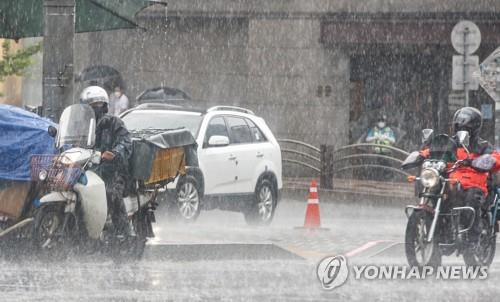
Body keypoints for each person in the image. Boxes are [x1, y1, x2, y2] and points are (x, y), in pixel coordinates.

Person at [420, 107, 495, 246]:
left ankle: (473, 238)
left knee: (471, 199)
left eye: (465, 127)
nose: (461, 129)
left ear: (474, 128)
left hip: (474, 184)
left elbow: (494, 158)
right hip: (451, 182)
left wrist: (477, 161)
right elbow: (432, 151)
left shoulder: (483, 145)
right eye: (459, 126)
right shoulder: (450, 142)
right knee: (435, 192)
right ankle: (439, 232)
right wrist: (420, 155)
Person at [79, 86, 133, 236]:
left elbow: (126, 143)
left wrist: (115, 153)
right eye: (90, 106)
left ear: (104, 106)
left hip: (112, 171)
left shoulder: (114, 123)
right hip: (86, 170)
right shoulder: (81, 126)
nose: (94, 109)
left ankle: (124, 234)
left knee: (110, 193)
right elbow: (70, 142)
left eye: (97, 105)